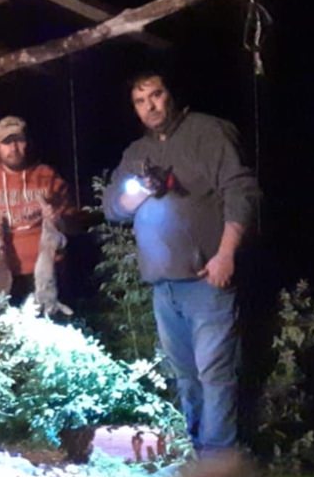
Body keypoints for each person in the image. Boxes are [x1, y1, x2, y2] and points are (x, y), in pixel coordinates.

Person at [102, 71, 261, 457]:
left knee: (215, 374)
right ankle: (198, 449)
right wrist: (140, 191)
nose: (150, 106)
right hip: (163, 285)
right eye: (140, 101)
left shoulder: (207, 133)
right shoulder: (136, 152)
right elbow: (112, 207)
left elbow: (241, 192)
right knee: (187, 378)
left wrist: (226, 254)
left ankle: (218, 463)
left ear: (171, 94)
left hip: (206, 280)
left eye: (156, 95)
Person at [0, 115, 72, 302]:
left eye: (19, 141)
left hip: (47, 270)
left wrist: (57, 218)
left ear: (27, 143)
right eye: (7, 143)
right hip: (5, 271)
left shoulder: (47, 176)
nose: (13, 148)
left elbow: (71, 222)